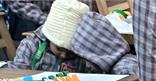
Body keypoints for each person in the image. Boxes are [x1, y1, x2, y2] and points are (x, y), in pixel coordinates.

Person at [8, 0, 137, 75]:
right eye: (59, 49)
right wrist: (48, 22)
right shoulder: (30, 47)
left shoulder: (85, 52)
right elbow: (16, 75)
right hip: (40, 18)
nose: (64, 55)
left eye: (70, 51)